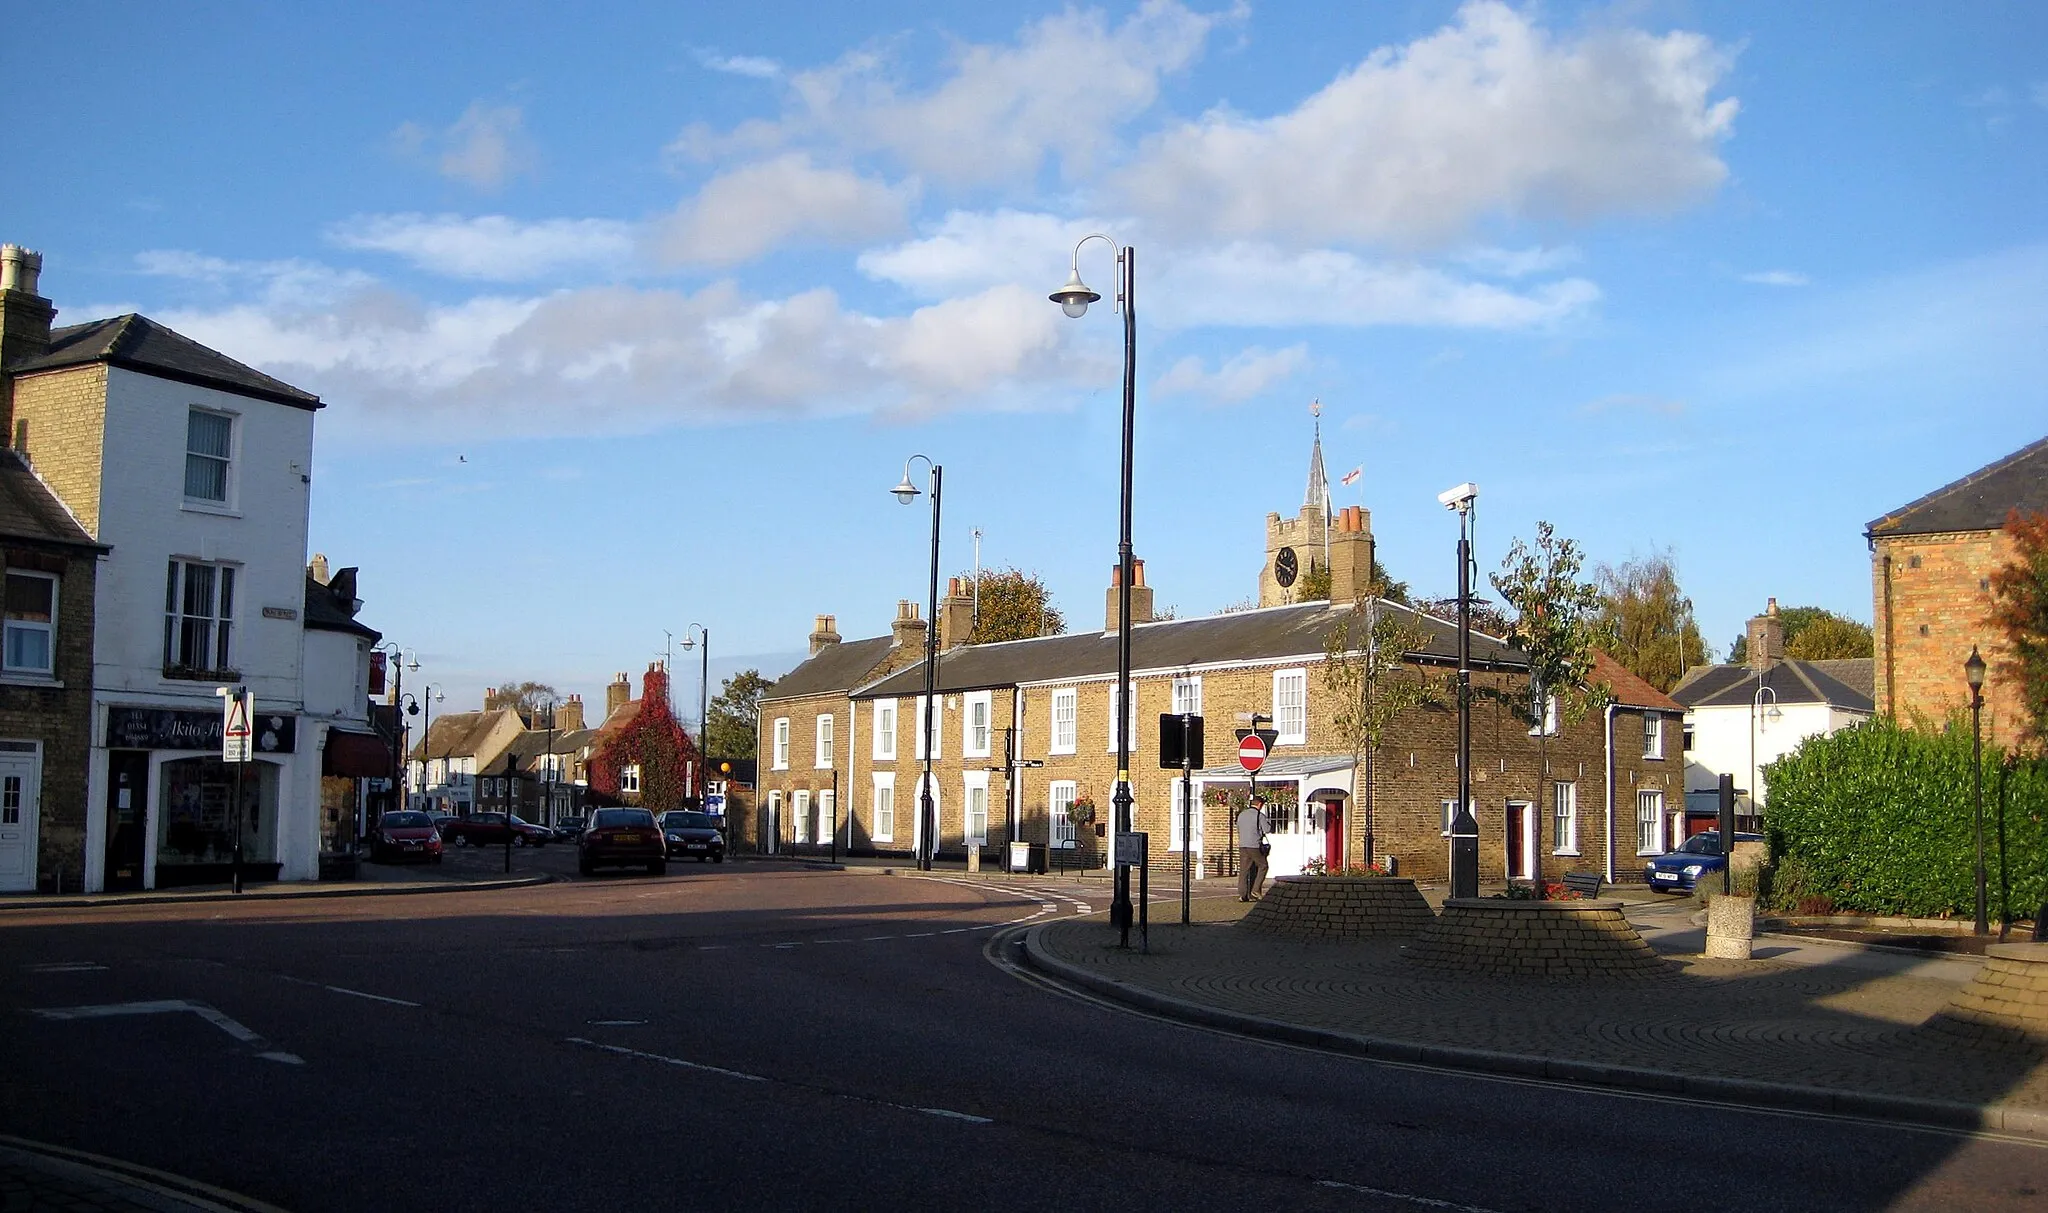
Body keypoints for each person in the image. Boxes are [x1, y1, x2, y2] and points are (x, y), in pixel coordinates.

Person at [1235, 797, 1269, 902]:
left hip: (1242, 845)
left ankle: (1242, 895)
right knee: (1263, 866)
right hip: (1254, 845)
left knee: (1244, 870)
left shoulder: (1242, 814)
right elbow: (1267, 829)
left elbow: (1238, 828)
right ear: (1259, 804)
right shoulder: (1259, 815)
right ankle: (1255, 890)